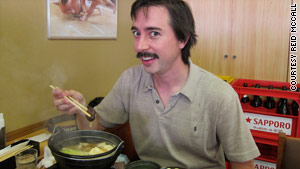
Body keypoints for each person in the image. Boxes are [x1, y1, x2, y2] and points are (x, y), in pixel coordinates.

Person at [51, 0, 260, 168]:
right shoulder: (131, 80)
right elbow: (94, 128)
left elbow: (244, 163)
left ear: (182, 39)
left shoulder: (219, 95)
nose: (140, 45)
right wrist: (80, 109)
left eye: (154, 33)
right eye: (136, 33)